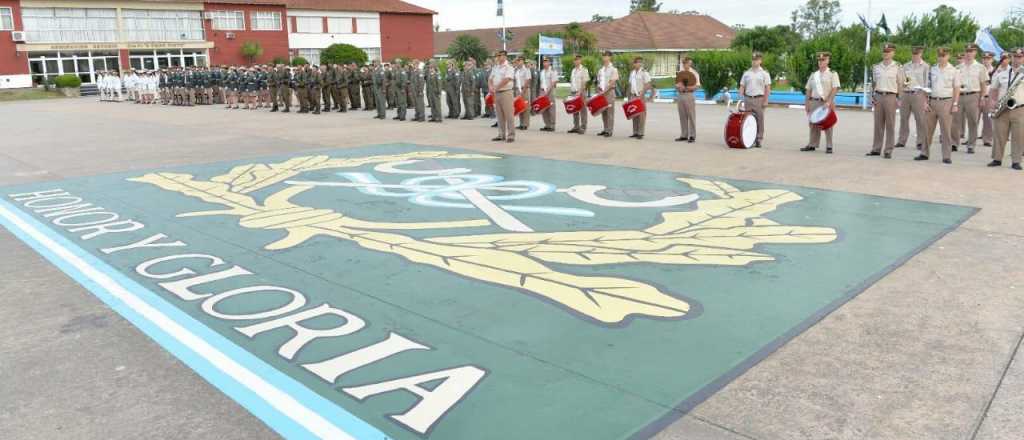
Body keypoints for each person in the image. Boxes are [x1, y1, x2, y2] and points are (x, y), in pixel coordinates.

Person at [917, 47, 961, 164]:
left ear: (948, 56)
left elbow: (956, 88)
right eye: (939, 56)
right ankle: (924, 153)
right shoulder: (932, 70)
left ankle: (946, 156)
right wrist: (925, 102)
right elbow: (926, 87)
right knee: (927, 130)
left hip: (946, 102)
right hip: (932, 101)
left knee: (946, 130)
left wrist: (955, 104)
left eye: (943, 56)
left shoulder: (954, 70)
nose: (941, 58)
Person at [988, 48, 1023, 170]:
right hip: (1002, 108)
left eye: (1020, 57)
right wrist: (992, 103)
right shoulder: (1001, 74)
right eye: (1015, 56)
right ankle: (997, 159)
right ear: (1011, 58)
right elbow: (993, 90)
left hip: (1019, 109)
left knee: (1018, 136)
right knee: (999, 135)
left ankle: (1016, 161)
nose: (1017, 59)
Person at [867, 43, 904, 157]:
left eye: (888, 52)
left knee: (890, 124)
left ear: (893, 53)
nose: (886, 54)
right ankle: (876, 149)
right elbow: (873, 83)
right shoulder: (876, 67)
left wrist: (900, 98)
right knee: (878, 124)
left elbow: (900, 84)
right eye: (884, 51)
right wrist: (871, 96)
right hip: (878, 96)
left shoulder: (898, 67)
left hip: (891, 96)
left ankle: (888, 150)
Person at [953, 44, 989, 154]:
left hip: (974, 95)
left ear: (975, 53)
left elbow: (983, 84)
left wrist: (983, 97)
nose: (969, 53)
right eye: (967, 51)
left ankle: (971, 145)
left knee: (973, 121)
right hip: (960, 96)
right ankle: (954, 143)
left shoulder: (980, 67)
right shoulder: (958, 67)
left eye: (971, 51)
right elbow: (954, 84)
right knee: (955, 121)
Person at [802, 52, 840, 154]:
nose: (821, 62)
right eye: (819, 60)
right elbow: (808, 89)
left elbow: (835, 88)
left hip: (826, 102)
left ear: (828, 61)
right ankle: (812, 144)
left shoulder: (833, 73)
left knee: (828, 124)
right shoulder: (814, 75)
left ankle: (829, 146)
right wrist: (807, 103)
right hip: (814, 101)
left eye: (823, 60)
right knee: (813, 123)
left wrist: (829, 101)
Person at [898, 46, 930, 150]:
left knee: (920, 119)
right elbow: (901, 82)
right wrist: (900, 96)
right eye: (913, 54)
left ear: (921, 54)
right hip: (906, 94)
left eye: (917, 54)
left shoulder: (926, 66)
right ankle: (901, 140)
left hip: (919, 94)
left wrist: (926, 100)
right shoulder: (905, 66)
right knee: (903, 119)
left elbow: (926, 83)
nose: (915, 56)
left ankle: (920, 142)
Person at [738, 52, 770, 147]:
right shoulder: (746, 73)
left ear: (760, 61)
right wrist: (740, 98)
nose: (754, 62)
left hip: (759, 99)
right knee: (748, 120)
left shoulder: (764, 73)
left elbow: (767, 88)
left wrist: (766, 100)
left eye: (756, 60)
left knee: (759, 119)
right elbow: (742, 86)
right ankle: (749, 138)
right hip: (748, 99)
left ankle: (759, 139)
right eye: (753, 60)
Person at [489, 50, 516, 143]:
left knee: (509, 115)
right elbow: (490, 79)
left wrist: (496, 87)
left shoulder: (509, 67)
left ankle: (511, 135)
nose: (498, 57)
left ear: (505, 57)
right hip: (497, 93)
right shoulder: (495, 67)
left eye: (500, 56)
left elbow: (507, 79)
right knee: (499, 115)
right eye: (498, 56)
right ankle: (501, 134)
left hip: (506, 92)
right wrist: (491, 87)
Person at [675, 56, 700, 142]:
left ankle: (692, 135)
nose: (687, 65)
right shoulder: (680, 73)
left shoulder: (694, 73)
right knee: (682, 116)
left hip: (689, 95)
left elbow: (697, 86)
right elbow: (676, 84)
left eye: (689, 63)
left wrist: (688, 88)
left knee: (691, 116)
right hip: (681, 95)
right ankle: (684, 135)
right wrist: (678, 87)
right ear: (683, 63)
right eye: (685, 63)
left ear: (690, 63)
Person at [627, 57, 652, 139]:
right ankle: (635, 132)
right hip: (633, 95)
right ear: (634, 64)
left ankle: (640, 133)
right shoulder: (632, 73)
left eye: (640, 62)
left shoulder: (644, 73)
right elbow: (630, 85)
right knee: (634, 114)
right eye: (637, 62)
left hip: (640, 96)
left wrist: (642, 93)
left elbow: (648, 85)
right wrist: (629, 97)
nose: (639, 64)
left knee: (641, 115)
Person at [595, 51, 618, 137]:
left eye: (606, 56)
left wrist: (604, 91)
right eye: (603, 56)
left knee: (609, 112)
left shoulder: (613, 69)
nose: (604, 57)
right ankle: (605, 129)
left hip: (609, 93)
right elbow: (598, 81)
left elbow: (612, 82)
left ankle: (609, 130)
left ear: (610, 57)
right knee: (603, 112)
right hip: (601, 93)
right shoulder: (601, 70)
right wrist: (598, 91)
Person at [568, 55, 590, 135]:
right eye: (575, 60)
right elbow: (572, 82)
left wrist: (579, 92)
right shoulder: (573, 70)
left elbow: (584, 82)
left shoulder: (584, 70)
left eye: (577, 60)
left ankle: (583, 127)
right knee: (575, 109)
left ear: (580, 60)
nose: (576, 61)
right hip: (573, 92)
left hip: (581, 92)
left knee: (583, 109)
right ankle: (576, 127)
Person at [536, 57, 558, 132]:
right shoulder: (542, 72)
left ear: (549, 63)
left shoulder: (552, 71)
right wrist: (540, 93)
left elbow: (553, 82)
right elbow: (540, 83)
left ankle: (552, 125)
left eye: (546, 62)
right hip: (542, 91)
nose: (545, 63)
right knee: (543, 108)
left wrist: (547, 92)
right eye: (544, 62)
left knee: (551, 109)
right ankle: (547, 125)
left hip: (550, 91)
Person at [981, 52, 996, 147]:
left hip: (988, 96)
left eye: (988, 58)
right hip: (978, 96)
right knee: (974, 119)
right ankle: (971, 139)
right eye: (984, 58)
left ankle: (987, 139)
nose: (986, 60)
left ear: (992, 60)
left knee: (988, 119)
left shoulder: (996, 71)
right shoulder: (978, 69)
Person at [514, 57, 532, 129]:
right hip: (518, 90)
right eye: (517, 61)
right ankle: (521, 123)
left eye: (520, 61)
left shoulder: (526, 70)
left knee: (526, 107)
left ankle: (525, 124)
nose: (518, 62)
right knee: (519, 107)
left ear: (523, 62)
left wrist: (523, 91)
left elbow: (528, 80)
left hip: (524, 90)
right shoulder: (516, 70)